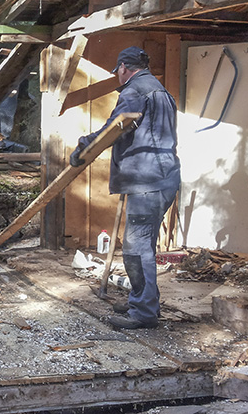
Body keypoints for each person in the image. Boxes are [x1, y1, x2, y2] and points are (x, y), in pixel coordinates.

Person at [69, 46, 181, 329]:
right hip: (163, 178)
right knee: (143, 244)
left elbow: (116, 127)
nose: (118, 76)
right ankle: (142, 301)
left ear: (123, 68)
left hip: (147, 180)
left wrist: (86, 145)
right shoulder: (161, 92)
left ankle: (143, 312)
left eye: (118, 72)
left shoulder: (134, 91)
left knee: (136, 248)